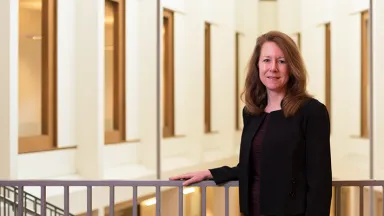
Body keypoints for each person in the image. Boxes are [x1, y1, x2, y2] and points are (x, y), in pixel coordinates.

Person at [169, 30, 332, 216]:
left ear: (292, 67)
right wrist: (211, 173)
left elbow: (320, 181)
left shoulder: (311, 111)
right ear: (257, 65)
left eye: (281, 61)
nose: (273, 68)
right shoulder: (252, 113)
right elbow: (253, 166)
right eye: (266, 60)